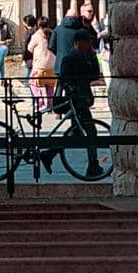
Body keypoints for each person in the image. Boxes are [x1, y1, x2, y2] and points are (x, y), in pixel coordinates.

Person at [52, 31, 104, 179]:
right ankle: (93, 165)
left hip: (82, 100)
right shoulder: (70, 59)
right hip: (76, 102)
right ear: (79, 43)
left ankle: (49, 154)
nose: (89, 45)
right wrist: (74, 92)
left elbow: (94, 75)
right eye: (87, 42)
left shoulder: (86, 57)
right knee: (90, 132)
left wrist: (93, 58)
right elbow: (65, 80)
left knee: (77, 133)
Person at [48, 6, 97, 76]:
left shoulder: (57, 29)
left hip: (61, 63)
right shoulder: (82, 30)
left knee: (63, 85)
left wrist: (59, 54)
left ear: (65, 16)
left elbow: (51, 46)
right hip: (79, 64)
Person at [27, 22, 57, 117]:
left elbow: (29, 48)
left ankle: (40, 103)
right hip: (52, 65)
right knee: (50, 86)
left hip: (40, 66)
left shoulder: (36, 36)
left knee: (32, 83)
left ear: (38, 26)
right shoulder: (53, 34)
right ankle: (50, 104)